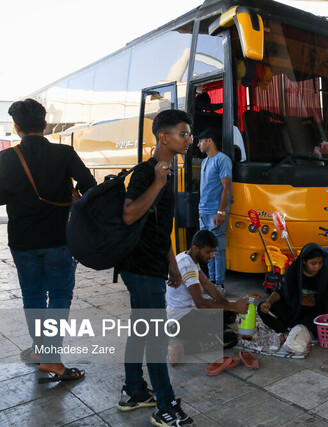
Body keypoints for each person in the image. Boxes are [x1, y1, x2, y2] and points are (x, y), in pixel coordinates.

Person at [0, 99, 96, 382]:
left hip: (22, 241)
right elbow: (89, 186)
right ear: (45, 125)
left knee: (32, 296)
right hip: (59, 239)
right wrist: (70, 196)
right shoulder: (64, 153)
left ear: (16, 128)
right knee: (59, 297)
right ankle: (51, 358)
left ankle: (42, 351)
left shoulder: (6, 158)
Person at [116, 109, 195, 426]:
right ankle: (165, 406)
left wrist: (173, 263)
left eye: (188, 133)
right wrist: (158, 182)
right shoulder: (147, 173)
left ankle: (134, 390)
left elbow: (159, 227)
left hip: (151, 262)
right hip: (139, 266)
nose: (189, 139)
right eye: (183, 133)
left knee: (141, 329)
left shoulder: (167, 170)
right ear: (164, 137)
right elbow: (129, 214)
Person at [166, 230, 249, 365]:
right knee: (230, 338)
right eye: (208, 252)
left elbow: (207, 285)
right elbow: (201, 303)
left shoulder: (188, 257)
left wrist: (229, 307)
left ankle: (211, 329)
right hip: (180, 322)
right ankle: (181, 348)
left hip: (188, 314)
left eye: (213, 252)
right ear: (195, 248)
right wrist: (233, 306)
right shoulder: (187, 267)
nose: (211, 256)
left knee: (229, 316)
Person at [258, 243, 328, 336]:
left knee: (317, 324)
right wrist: (268, 302)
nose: (317, 267)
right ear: (304, 261)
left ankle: (297, 331)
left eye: (320, 263)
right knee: (262, 308)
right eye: (313, 263)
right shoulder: (292, 272)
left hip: (316, 313)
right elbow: (279, 290)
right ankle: (285, 332)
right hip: (293, 310)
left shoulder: (327, 272)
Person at [197, 127, 232, 295]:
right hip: (203, 211)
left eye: (200, 141)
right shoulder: (205, 161)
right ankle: (211, 282)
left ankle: (220, 284)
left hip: (215, 212)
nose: (198, 145)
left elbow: (226, 187)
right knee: (207, 248)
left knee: (217, 250)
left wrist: (221, 211)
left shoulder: (222, 160)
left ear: (209, 141)